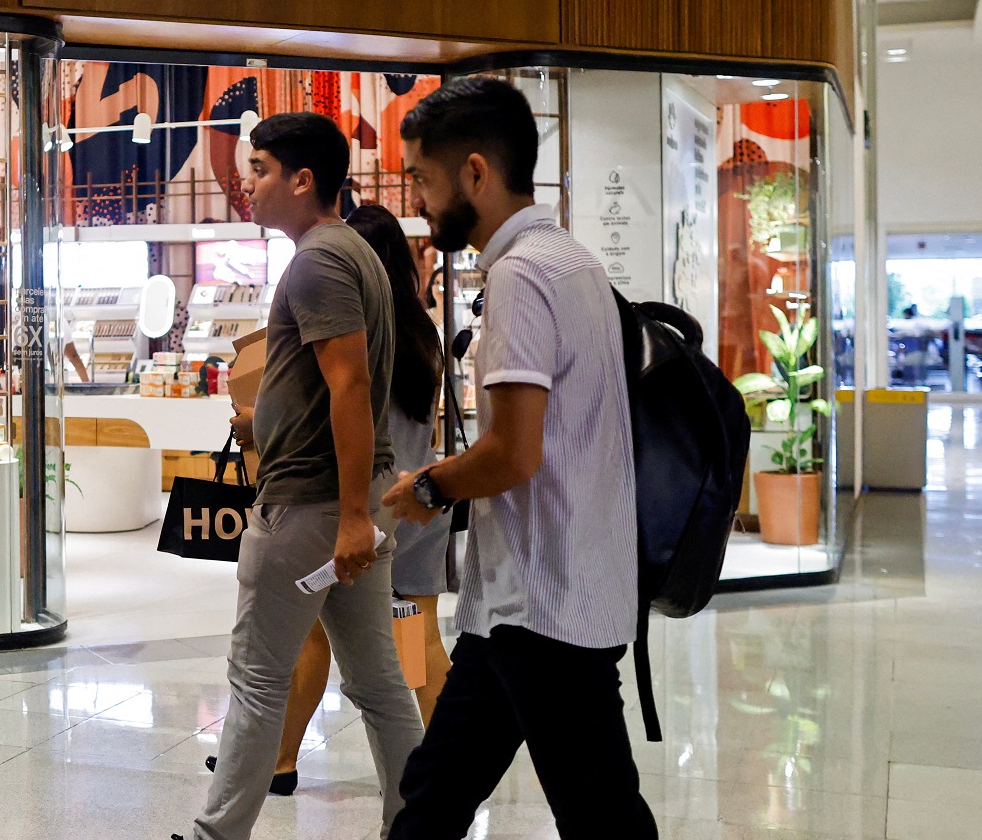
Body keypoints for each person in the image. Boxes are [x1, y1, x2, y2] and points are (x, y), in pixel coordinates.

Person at [381, 76, 657, 839]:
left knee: (600, 815)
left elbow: (513, 452)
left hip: (543, 606)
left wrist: (427, 487)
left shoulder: (519, 273)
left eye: (425, 180)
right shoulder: (573, 261)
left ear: (475, 172)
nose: (423, 200)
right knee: (433, 793)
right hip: (538, 596)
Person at [176, 112, 423, 840]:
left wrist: (349, 515)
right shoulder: (351, 252)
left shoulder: (318, 260)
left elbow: (349, 383)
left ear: (302, 178)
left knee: (256, 679)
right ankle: (416, 824)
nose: (245, 184)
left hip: (310, 508)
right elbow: (330, 386)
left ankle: (215, 834)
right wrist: (268, 421)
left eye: (257, 169)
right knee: (378, 682)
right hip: (346, 501)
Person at [234, 203, 451, 795]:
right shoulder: (420, 334)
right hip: (414, 504)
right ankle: (434, 764)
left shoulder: (356, 332)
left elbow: (344, 412)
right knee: (413, 645)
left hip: (364, 500)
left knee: (331, 647)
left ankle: (282, 759)